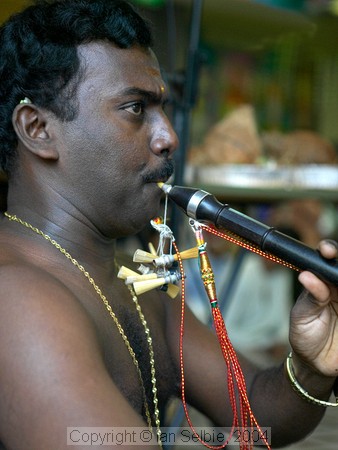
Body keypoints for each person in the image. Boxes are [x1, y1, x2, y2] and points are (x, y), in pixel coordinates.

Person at [0, 1, 337, 449]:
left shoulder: (134, 283)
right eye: (136, 108)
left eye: (163, 108)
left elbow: (255, 411)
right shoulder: (16, 297)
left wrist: (312, 365)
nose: (168, 137)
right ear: (37, 128)